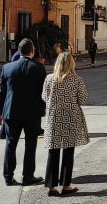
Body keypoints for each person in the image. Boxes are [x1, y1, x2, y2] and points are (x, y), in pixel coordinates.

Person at [0, 38, 47, 186]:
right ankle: (28, 176)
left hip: (11, 112)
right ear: (32, 51)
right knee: (30, 145)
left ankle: (8, 177)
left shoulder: (7, 67)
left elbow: (2, 92)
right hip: (32, 113)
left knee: (10, 144)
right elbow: (43, 92)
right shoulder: (38, 67)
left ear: (19, 51)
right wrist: (44, 109)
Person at [42, 52, 89, 196]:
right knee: (69, 151)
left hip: (54, 118)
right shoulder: (76, 80)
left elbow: (44, 96)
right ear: (71, 64)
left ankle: (51, 186)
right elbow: (83, 99)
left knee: (53, 151)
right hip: (70, 118)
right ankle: (66, 184)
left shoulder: (49, 79)